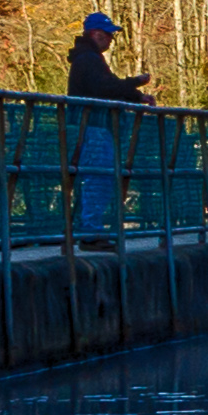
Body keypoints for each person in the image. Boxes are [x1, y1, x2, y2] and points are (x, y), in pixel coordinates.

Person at [65, 13, 147, 244]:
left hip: (91, 125)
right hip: (93, 126)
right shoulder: (88, 59)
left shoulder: (89, 58)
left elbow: (107, 87)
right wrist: (135, 84)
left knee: (94, 176)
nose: (111, 39)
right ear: (95, 34)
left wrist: (136, 95)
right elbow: (105, 87)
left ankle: (86, 229)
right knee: (98, 176)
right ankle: (90, 232)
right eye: (107, 34)